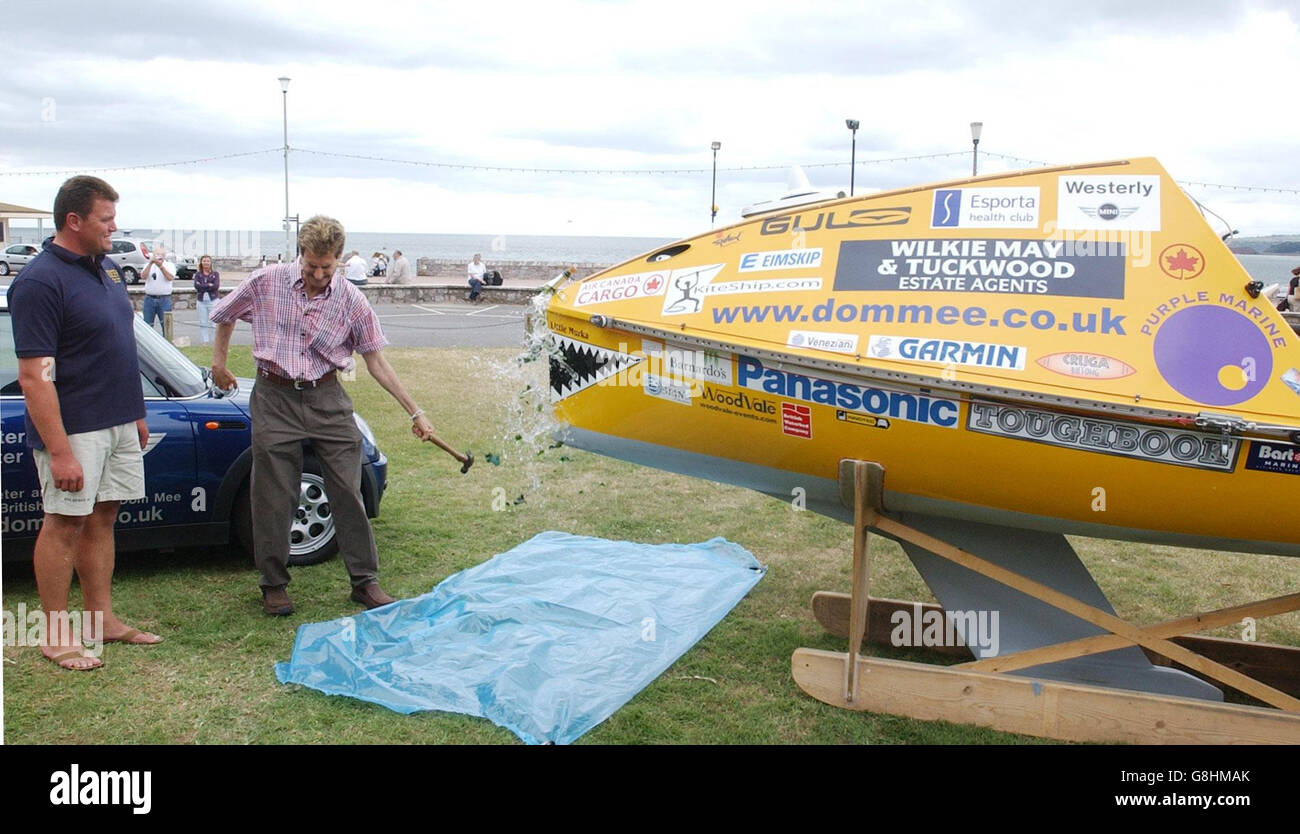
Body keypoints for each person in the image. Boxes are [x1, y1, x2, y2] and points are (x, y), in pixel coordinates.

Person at [209, 215, 437, 616]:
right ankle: (274, 585)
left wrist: (415, 411)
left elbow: (377, 362)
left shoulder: (352, 299)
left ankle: (365, 581)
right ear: (301, 253)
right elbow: (225, 312)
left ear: (339, 260)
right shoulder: (268, 280)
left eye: (326, 267)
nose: (317, 274)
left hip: (327, 396)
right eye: (311, 264)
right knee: (273, 493)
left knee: (349, 489)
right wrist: (219, 364)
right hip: (274, 395)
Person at [6, 175, 162, 670]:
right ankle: (55, 636)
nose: (114, 228)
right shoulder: (39, 281)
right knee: (64, 523)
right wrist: (59, 450)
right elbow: (35, 375)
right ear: (73, 221)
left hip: (118, 421)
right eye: (105, 219)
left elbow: (122, 345)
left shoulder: (109, 269)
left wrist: (135, 411)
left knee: (103, 518)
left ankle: (102, 621)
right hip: (74, 429)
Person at [140, 245, 176, 335]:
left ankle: (167, 344)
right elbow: (143, 276)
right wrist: (150, 263)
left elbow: (170, 277)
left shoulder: (169, 265)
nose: (158, 256)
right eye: (156, 254)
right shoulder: (147, 265)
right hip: (149, 299)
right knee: (147, 324)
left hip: (164, 299)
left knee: (166, 325)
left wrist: (161, 267)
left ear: (164, 256)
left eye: (160, 255)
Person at [193, 255, 221, 344]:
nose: (206, 263)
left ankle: (214, 341)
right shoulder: (198, 274)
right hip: (201, 301)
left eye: (208, 261)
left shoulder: (215, 274)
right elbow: (197, 286)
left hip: (213, 301)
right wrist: (208, 285)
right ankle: (204, 341)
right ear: (201, 262)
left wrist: (203, 286)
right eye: (204, 261)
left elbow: (216, 286)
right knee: (203, 322)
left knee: (214, 322)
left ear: (211, 262)